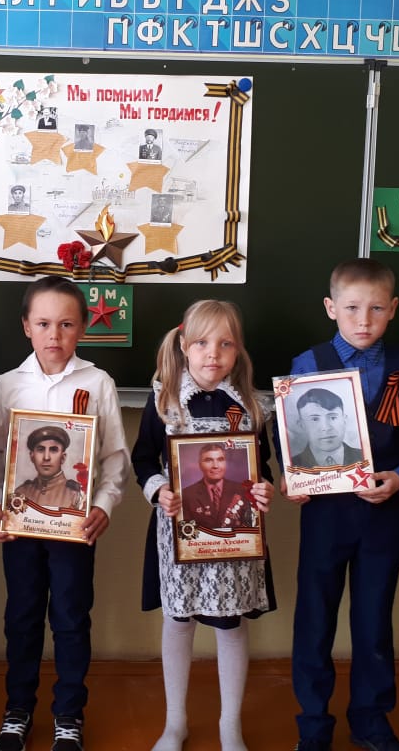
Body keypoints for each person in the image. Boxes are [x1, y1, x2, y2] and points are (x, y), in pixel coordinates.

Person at [283, 258, 399, 751]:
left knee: (373, 621)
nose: (363, 320)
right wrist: (292, 477)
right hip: (325, 515)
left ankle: (371, 721)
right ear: (331, 308)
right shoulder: (308, 364)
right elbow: (289, 435)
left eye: (376, 309)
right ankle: (313, 724)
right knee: (315, 619)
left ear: (393, 309)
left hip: (383, 513)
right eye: (351, 308)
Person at [0, 276, 130, 751]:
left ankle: (69, 713)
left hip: (74, 528)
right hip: (21, 528)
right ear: (26, 326)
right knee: (22, 617)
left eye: (66, 324)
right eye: (44, 323)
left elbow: (114, 457)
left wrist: (103, 505)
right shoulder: (8, 385)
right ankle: (18, 709)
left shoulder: (97, 382)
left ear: (82, 328)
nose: (54, 334)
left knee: (70, 617)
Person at [132, 300, 275, 751]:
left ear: (238, 350)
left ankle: (229, 725)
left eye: (225, 344)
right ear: (183, 346)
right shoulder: (164, 401)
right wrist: (159, 490)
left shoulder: (251, 407)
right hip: (179, 532)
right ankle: (175, 723)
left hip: (234, 535)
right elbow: (142, 460)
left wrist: (264, 490)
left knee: (230, 624)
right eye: (202, 343)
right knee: (179, 620)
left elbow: (262, 469)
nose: (213, 353)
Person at [180, 442, 255, 530]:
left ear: (226, 463)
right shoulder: (186, 495)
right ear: (200, 464)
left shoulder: (242, 490)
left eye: (220, 459)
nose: (215, 466)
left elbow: (250, 528)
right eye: (208, 460)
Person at [12, 424, 85, 511]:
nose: (46, 457)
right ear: (32, 456)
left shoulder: (76, 495)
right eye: (40, 449)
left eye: (53, 450)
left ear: (63, 458)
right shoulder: (21, 493)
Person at [290, 387, 365, 469]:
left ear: (344, 420)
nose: (326, 428)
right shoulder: (292, 466)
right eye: (315, 419)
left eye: (333, 418)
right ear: (301, 425)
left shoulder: (365, 457)